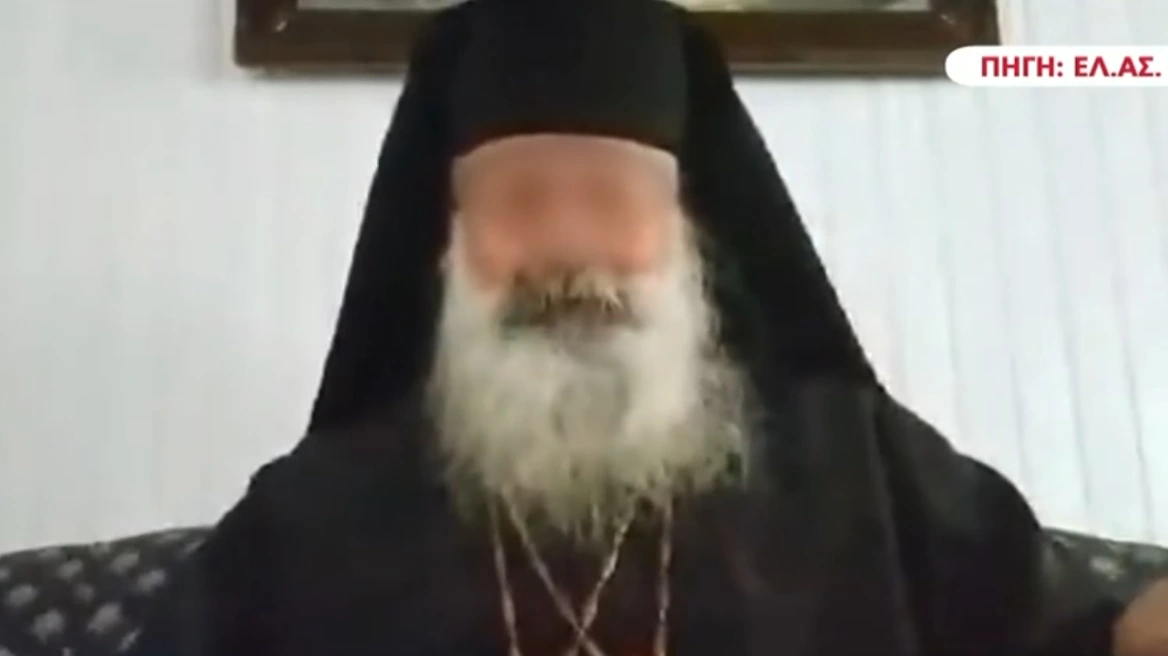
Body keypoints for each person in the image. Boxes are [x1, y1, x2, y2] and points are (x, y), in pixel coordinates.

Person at [129, 0, 1167, 654]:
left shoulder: (857, 465)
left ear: (687, 236)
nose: (566, 244)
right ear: (447, 244)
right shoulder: (314, 514)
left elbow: (1081, 639)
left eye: (610, 198)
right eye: (520, 201)